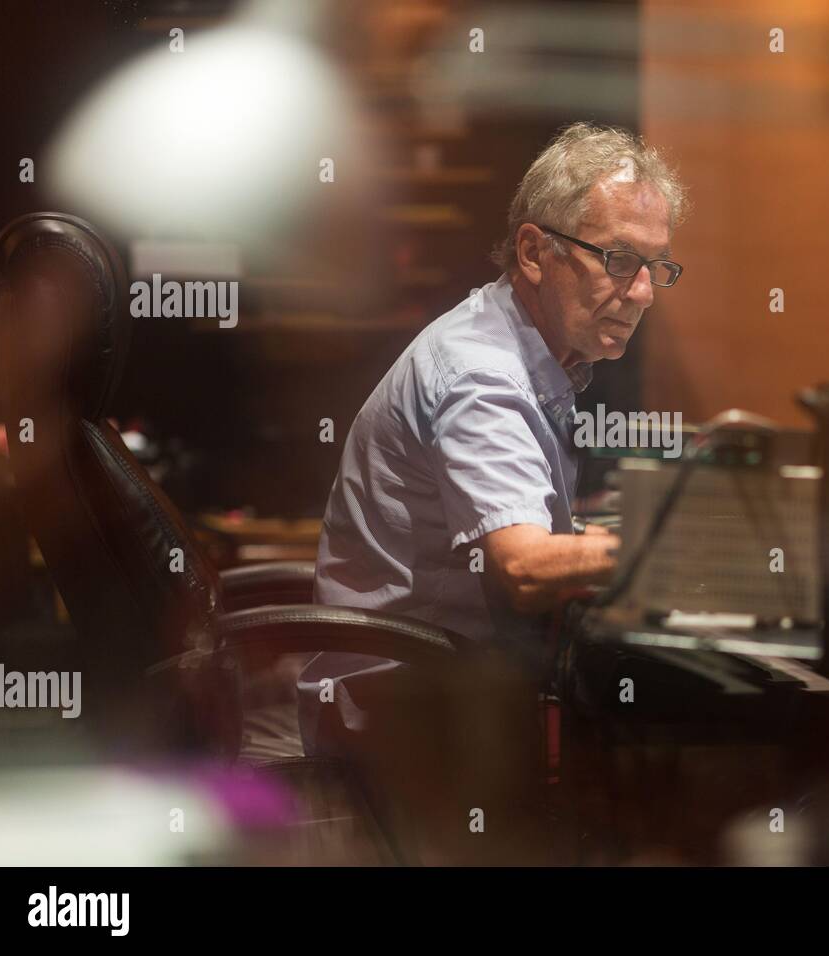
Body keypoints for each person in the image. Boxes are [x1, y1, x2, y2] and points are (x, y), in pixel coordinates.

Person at [294, 123, 688, 860]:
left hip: (447, 692)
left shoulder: (522, 348)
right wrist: (686, 543)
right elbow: (525, 566)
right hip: (413, 713)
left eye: (656, 268)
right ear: (536, 253)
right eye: (620, 260)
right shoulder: (484, 374)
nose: (641, 292)